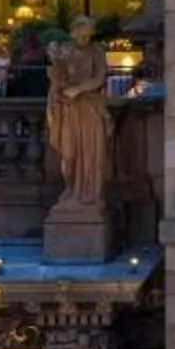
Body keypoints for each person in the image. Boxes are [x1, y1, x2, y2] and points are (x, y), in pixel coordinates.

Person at [44, 16, 111, 207]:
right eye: (81, 35)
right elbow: (57, 80)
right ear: (73, 33)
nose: (85, 39)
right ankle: (72, 188)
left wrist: (79, 89)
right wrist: (55, 61)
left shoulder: (97, 51)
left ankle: (91, 193)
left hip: (91, 108)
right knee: (69, 153)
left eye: (88, 36)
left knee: (91, 154)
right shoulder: (65, 51)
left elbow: (100, 78)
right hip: (69, 109)